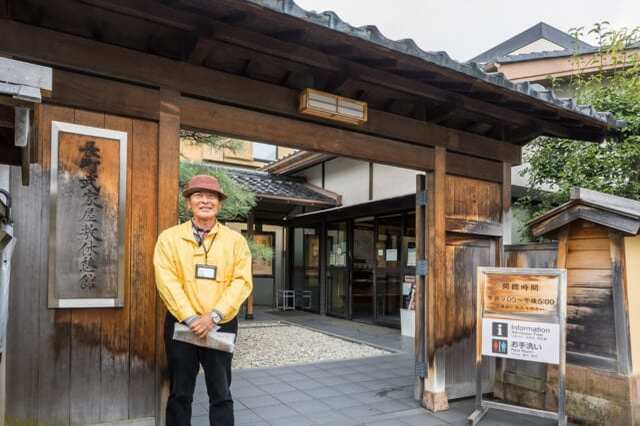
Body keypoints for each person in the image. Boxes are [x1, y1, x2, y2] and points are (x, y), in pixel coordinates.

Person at [154, 174, 253, 426]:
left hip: (220, 324)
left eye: (211, 196)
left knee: (221, 392)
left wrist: (214, 316)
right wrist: (190, 317)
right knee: (180, 392)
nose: (205, 201)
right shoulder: (169, 238)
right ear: (188, 203)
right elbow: (166, 280)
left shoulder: (235, 241)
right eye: (198, 195)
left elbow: (241, 282)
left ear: (219, 203)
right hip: (181, 324)